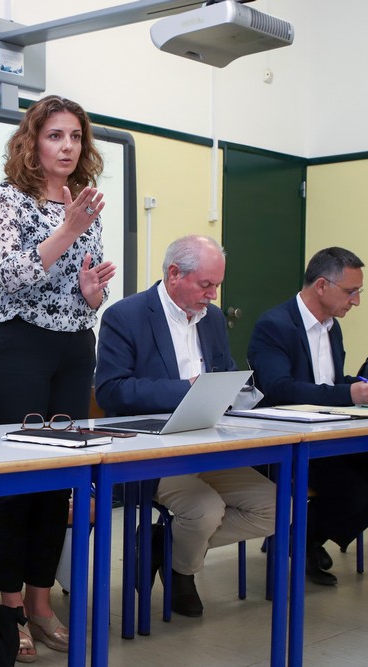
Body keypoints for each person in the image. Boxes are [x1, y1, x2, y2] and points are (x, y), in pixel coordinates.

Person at [0, 95, 116, 662]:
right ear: (32, 141)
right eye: (56, 136)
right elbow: (12, 277)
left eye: (76, 138)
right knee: (18, 479)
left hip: (73, 343)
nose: (67, 147)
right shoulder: (6, 199)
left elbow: (88, 286)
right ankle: (9, 608)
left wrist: (93, 293)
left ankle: (40, 600)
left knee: (57, 480)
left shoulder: (83, 203)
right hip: (17, 342)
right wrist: (67, 227)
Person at [94, 235, 275, 617]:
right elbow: (111, 391)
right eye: (205, 285)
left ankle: (170, 548)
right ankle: (183, 573)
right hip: (151, 451)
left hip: (210, 445)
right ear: (174, 274)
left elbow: (225, 373)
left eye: (217, 285)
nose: (212, 294)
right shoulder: (125, 316)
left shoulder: (211, 321)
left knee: (278, 507)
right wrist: (186, 390)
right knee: (205, 509)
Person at [248, 246, 368, 586]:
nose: (355, 302)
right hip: (289, 442)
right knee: (353, 492)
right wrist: (347, 394)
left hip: (332, 437)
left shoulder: (331, 327)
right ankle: (301, 538)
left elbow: (331, 384)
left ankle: (305, 537)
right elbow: (279, 389)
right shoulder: (274, 325)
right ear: (322, 286)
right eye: (350, 292)